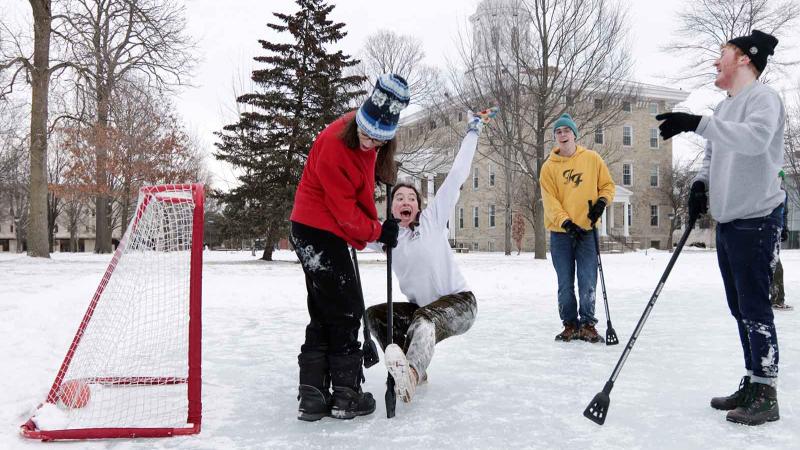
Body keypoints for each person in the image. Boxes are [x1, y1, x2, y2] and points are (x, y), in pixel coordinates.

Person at [656, 30, 784, 426]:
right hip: (730, 220)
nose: (716, 61)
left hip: (758, 218)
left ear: (745, 58)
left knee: (755, 307)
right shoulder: (725, 106)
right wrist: (699, 184)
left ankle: (766, 392)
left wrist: (697, 122)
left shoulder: (763, 100)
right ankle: (752, 378)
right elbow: (713, 154)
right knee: (739, 307)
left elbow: (754, 141)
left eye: (722, 53)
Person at [289, 74, 408, 421]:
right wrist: (375, 231)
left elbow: (359, 199)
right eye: (367, 134)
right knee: (345, 308)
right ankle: (345, 394)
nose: (370, 142)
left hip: (323, 230)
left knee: (327, 310)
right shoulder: (334, 144)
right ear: (360, 119)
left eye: (379, 140)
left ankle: (312, 395)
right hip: (316, 231)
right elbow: (345, 214)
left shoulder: (369, 144)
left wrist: (379, 227)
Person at [364, 108, 496, 403]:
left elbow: (457, 174)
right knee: (375, 315)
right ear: (392, 207)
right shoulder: (388, 236)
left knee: (425, 317)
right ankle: (405, 365)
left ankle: (411, 373)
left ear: (419, 205)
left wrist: (473, 130)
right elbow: (357, 235)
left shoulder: (433, 219)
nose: (406, 201)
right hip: (422, 310)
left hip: (461, 303)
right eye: (399, 198)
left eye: (411, 198)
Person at [539, 113, 615, 343]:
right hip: (561, 234)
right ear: (555, 138)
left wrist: (602, 203)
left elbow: (608, 186)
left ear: (574, 134)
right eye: (558, 132)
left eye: (566, 131)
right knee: (565, 282)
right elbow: (550, 201)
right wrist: (566, 223)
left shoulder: (592, 159)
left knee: (587, 279)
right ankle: (570, 324)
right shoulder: (548, 168)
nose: (562, 135)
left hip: (587, 232)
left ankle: (588, 324)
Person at [771, 170, 792, 311]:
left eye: (781, 178)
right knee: (775, 266)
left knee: (774, 266)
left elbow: (784, 213)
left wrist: (784, 228)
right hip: (765, 232)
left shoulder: (783, 193)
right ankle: (777, 299)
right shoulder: (767, 193)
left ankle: (776, 299)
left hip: (776, 232)